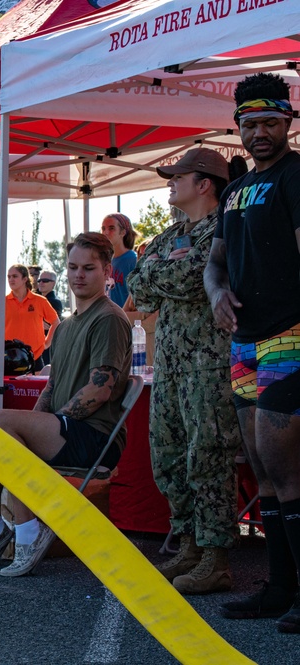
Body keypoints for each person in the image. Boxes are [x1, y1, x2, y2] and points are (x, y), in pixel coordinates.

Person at [0, 233, 131, 577]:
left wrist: (52, 424)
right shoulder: (66, 325)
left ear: (106, 270)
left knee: (1, 420)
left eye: (88, 268)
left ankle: (29, 533)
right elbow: (52, 385)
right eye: (72, 267)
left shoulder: (108, 317)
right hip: (70, 429)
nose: (78, 275)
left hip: (97, 436)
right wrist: (39, 423)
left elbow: (101, 390)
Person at [205, 73, 300, 633]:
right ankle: (279, 589)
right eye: (249, 124)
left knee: (287, 469)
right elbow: (216, 262)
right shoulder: (238, 190)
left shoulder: (296, 176)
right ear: (237, 127)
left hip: (290, 334)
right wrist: (217, 292)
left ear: (288, 122)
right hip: (244, 341)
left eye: (269, 122)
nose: (259, 132)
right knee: (261, 468)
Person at [127, 148, 246, 595]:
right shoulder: (168, 236)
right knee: (169, 456)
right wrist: (164, 269)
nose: (170, 183)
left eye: (178, 177)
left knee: (208, 456)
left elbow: (196, 278)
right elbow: (139, 288)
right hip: (172, 365)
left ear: (205, 184)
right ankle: (191, 546)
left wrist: (165, 272)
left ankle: (216, 557)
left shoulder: (225, 228)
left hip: (210, 365)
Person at [0, 264, 60, 372]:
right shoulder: (1, 302)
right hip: (9, 359)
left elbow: (56, 322)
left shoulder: (40, 301)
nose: (11, 279)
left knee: (36, 389)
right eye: (9, 276)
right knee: (11, 389)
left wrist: (47, 343)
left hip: (35, 357)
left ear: (25, 279)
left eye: (15, 276)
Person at [101, 213, 138, 307]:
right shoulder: (105, 261)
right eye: (103, 228)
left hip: (126, 318)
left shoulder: (133, 260)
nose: (106, 232)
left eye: (111, 228)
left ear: (123, 232)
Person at [36, 271, 64, 365]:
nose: (41, 283)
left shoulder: (55, 302)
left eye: (45, 280)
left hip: (47, 348)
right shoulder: (36, 300)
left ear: (53, 283)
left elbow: (50, 325)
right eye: (39, 280)